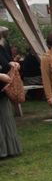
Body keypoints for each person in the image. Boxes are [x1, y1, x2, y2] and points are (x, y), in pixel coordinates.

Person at [0, 26, 22, 158]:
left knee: (6, 118)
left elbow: (6, 61)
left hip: (3, 90)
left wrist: (13, 64)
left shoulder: (2, 46)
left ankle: (9, 149)